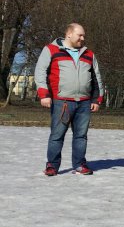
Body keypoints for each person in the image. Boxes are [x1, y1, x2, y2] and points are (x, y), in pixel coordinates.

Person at [35, 23, 104, 176]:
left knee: (81, 136)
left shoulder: (89, 54)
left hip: (84, 103)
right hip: (62, 102)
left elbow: (96, 78)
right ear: (69, 35)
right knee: (57, 135)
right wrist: (44, 94)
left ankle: (79, 165)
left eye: (84, 35)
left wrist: (96, 99)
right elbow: (40, 72)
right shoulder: (51, 50)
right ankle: (52, 166)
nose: (83, 38)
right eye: (80, 35)